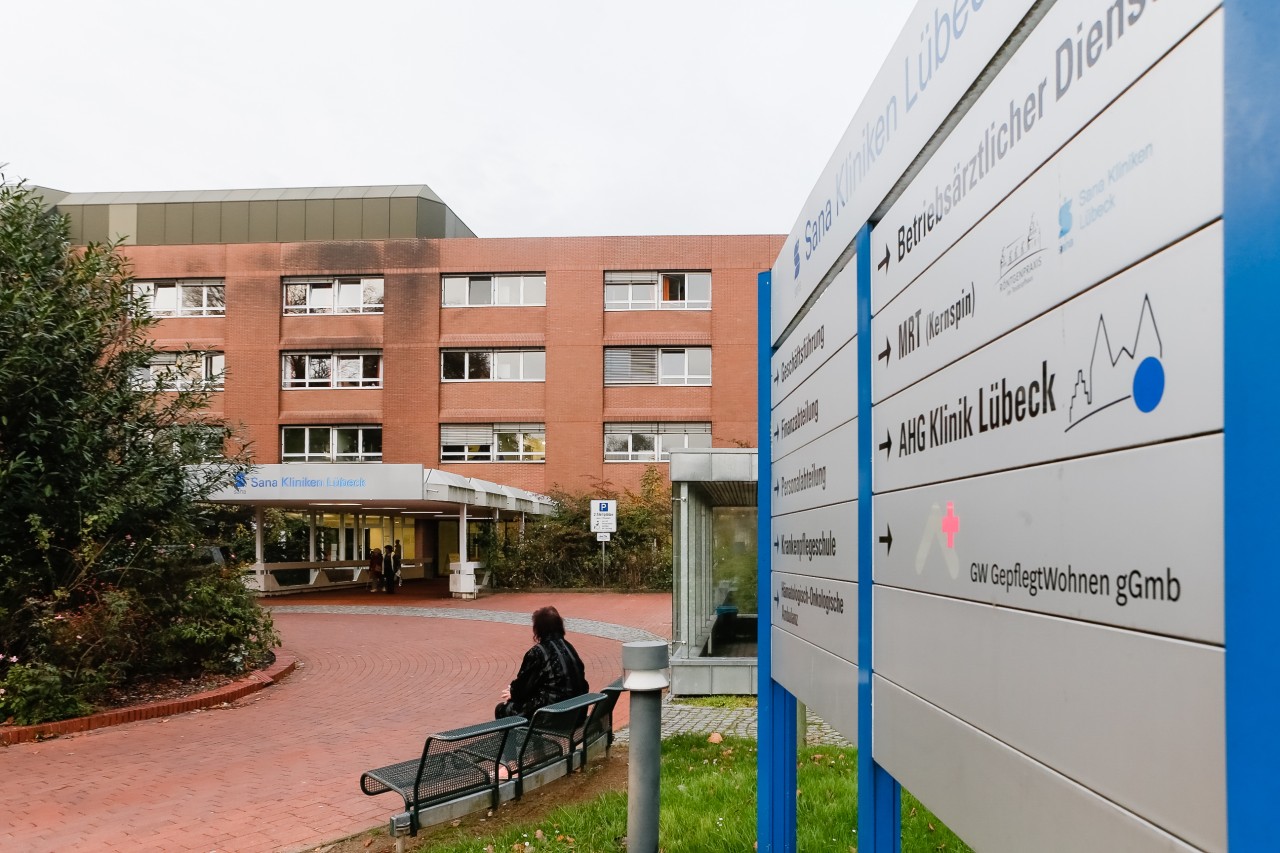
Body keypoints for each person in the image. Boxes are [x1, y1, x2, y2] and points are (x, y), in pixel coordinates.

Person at [496, 605, 589, 719]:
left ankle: (527, 737)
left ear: (538, 629)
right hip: (577, 713)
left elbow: (525, 686)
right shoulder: (569, 647)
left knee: (502, 709)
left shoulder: (537, 652)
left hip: (554, 715)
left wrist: (513, 691)